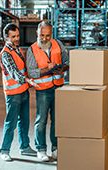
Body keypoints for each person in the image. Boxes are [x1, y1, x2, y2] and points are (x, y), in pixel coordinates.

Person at [26, 21, 69, 162]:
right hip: (43, 91)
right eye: (42, 35)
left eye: (47, 35)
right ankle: (41, 149)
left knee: (57, 121)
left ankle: (55, 148)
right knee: (41, 121)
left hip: (58, 87)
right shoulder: (32, 49)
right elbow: (31, 72)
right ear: (37, 33)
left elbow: (67, 62)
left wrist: (61, 68)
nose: (44, 38)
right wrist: (47, 69)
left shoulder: (59, 45)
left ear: (52, 34)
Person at [0, 23, 39, 161]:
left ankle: (25, 147)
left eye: (17, 36)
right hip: (13, 94)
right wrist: (28, 80)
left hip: (24, 91)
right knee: (11, 122)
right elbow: (14, 73)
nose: (17, 38)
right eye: (13, 36)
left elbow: (24, 67)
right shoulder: (5, 54)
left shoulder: (18, 49)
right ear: (6, 37)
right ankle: (4, 150)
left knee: (24, 121)